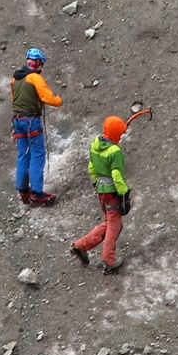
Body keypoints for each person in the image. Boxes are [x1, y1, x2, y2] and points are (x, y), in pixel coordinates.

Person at [69, 113, 137, 274]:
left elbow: (92, 168)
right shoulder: (114, 151)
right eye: (120, 133)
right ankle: (109, 260)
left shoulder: (95, 144)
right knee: (115, 226)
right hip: (112, 192)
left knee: (109, 223)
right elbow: (116, 175)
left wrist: (96, 183)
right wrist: (124, 193)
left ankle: (80, 246)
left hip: (101, 191)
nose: (120, 136)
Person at [9, 48, 61, 206]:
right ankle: (37, 192)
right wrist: (59, 100)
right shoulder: (35, 78)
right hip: (31, 120)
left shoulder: (15, 79)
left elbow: (14, 99)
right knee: (37, 154)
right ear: (38, 62)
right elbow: (47, 97)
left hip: (18, 121)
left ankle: (23, 191)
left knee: (23, 155)